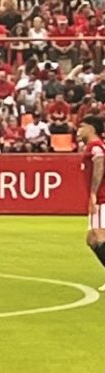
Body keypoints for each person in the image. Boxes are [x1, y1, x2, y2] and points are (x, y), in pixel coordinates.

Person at [80, 116, 105, 286]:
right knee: (91, 239)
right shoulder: (94, 146)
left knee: (99, 234)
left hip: (102, 197)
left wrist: (94, 194)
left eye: (83, 127)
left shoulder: (95, 147)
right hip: (100, 197)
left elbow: (99, 165)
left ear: (91, 128)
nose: (80, 130)